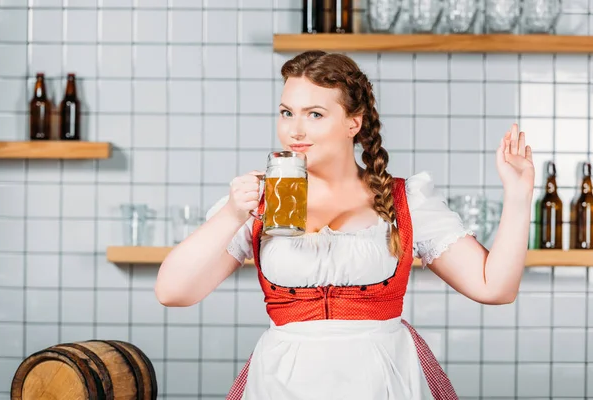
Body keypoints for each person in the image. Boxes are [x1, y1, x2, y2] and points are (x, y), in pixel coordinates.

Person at [155, 50, 534, 399]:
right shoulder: (256, 201)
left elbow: (494, 288)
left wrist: (518, 196)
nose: (294, 130)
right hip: (281, 382)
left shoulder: (406, 200)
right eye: (287, 112)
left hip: (383, 379)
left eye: (314, 114)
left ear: (354, 122)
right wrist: (232, 215)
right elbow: (173, 292)